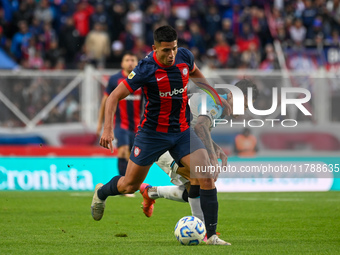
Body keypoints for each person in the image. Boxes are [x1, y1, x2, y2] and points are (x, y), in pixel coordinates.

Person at [91, 25, 228, 245]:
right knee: (129, 185)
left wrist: (214, 95)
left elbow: (197, 76)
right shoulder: (145, 68)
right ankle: (101, 192)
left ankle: (211, 236)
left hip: (182, 131)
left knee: (206, 175)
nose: (171, 54)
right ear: (155, 48)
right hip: (152, 134)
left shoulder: (184, 57)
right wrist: (107, 128)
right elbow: (113, 97)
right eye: (165, 50)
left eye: (173, 48)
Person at [140, 80, 259, 223]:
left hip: (174, 141)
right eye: (244, 105)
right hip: (161, 140)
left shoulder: (218, 107)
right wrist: (212, 155)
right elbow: (200, 127)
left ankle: (151, 192)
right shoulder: (215, 104)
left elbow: (199, 130)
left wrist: (215, 148)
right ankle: (202, 228)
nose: (244, 110)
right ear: (231, 95)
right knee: (198, 182)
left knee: (195, 188)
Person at [96, 52, 141, 181]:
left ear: (137, 63)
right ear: (122, 63)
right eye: (127, 60)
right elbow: (105, 101)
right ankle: (123, 182)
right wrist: (101, 124)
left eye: (133, 59)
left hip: (137, 124)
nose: (130, 62)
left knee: (133, 155)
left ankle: (130, 183)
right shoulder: (115, 79)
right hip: (121, 123)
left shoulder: (142, 79)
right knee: (123, 151)